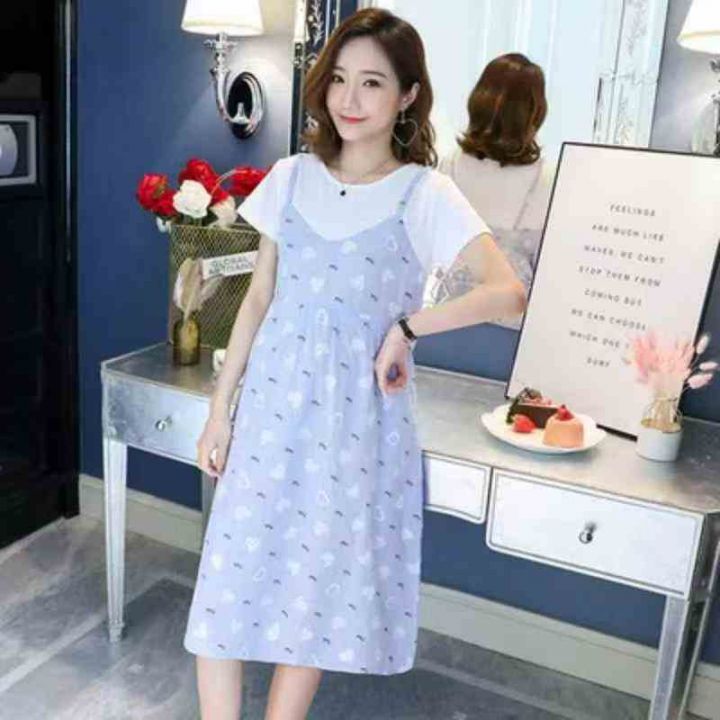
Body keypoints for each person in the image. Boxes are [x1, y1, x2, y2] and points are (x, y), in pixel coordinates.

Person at [183, 8, 526, 720]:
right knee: (225, 587)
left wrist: (408, 327)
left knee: (310, 598)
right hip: (271, 411)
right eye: (339, 78)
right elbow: (258, 299)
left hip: (355, 427)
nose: (349, 98)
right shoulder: (290, 177)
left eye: (372, 82)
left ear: (407, 95)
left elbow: (507, 292)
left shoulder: (425, 194)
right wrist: (220, 410)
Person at [439, 53, 551, 322]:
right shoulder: (549, 179)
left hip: (445, 322)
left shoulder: (447, 167)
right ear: (535, 112)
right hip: (511, 331)